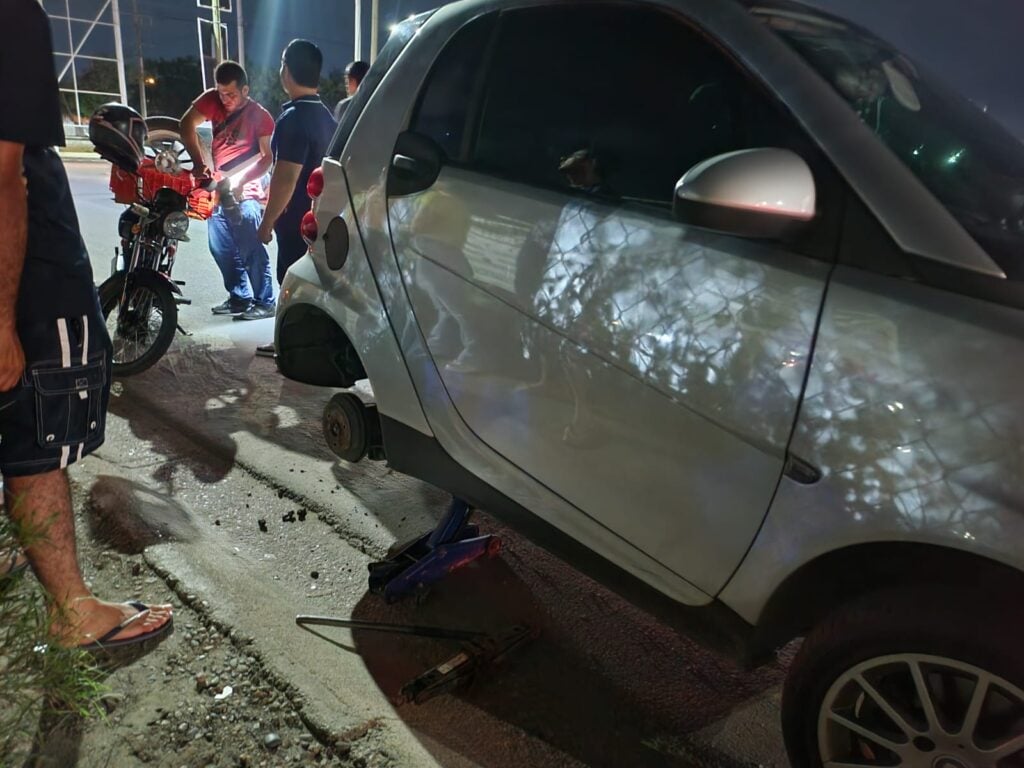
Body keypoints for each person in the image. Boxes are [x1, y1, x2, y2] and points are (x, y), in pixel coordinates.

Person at [0, 0, 173, 651]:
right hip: (26, 260)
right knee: (39, 433)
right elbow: (3, 175)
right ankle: (73, 611)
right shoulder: (13, 14)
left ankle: (17, 554)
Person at [255, 40, 337, 357]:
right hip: (320, 215)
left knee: (289, 279)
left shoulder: (292, 120)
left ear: (285, 71)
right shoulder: (328, 118)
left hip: (295, 220)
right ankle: (311, 341)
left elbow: (286, 177)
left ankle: (288, 343)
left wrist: (267, 222)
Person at [181, 61, 276, 321]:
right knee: (220, 246)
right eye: (221, 93)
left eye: (231, 94)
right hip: (219, 190)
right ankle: (239, 296)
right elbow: (185, 124)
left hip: (249, 191)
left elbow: (267, 158)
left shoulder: (260, 116)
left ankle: (265, 301)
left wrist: (244, 181)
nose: (225, 100)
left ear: (245, 90)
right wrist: (199, 164)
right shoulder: (213, 101)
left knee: (249, 246)